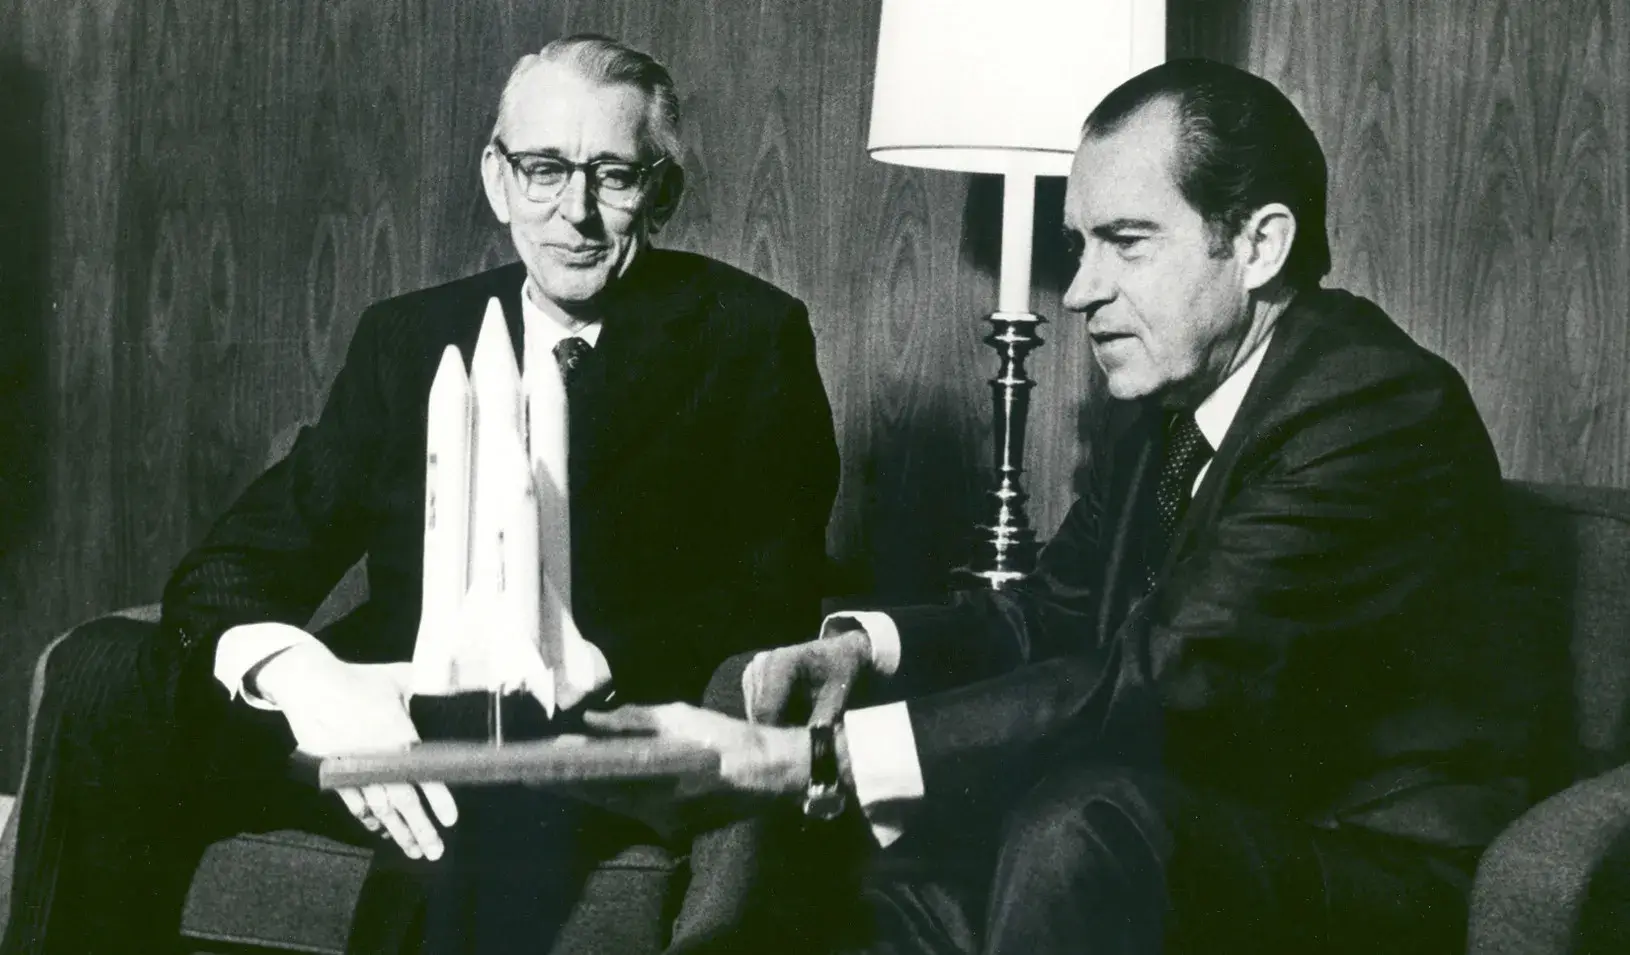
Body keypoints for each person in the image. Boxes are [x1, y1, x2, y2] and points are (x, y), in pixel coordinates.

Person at [588, 58, 1544, 955]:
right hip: (1197, 825)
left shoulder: (1372, 406)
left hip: (1373, 869)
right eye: (1079, 245)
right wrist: (865, 649)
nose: (1081, 291)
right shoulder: (1171, 407)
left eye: (1126, 242)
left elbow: (1172, 678)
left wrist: (817, 757)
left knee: (1077, 821)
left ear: (1259, 245)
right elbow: (1053, 613)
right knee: (882, 874)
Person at [0, 34, 839, 955]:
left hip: (567, 745)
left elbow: (772, 600)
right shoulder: (410, 336)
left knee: (463, 813)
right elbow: (238, 560)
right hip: (363, 714)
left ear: (662, 192)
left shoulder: (749, 338)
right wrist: (306, 680)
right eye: (545, 170)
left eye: (613, 176)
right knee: (98, 672)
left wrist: (521, 689)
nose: (575, 212)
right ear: (497, 179)